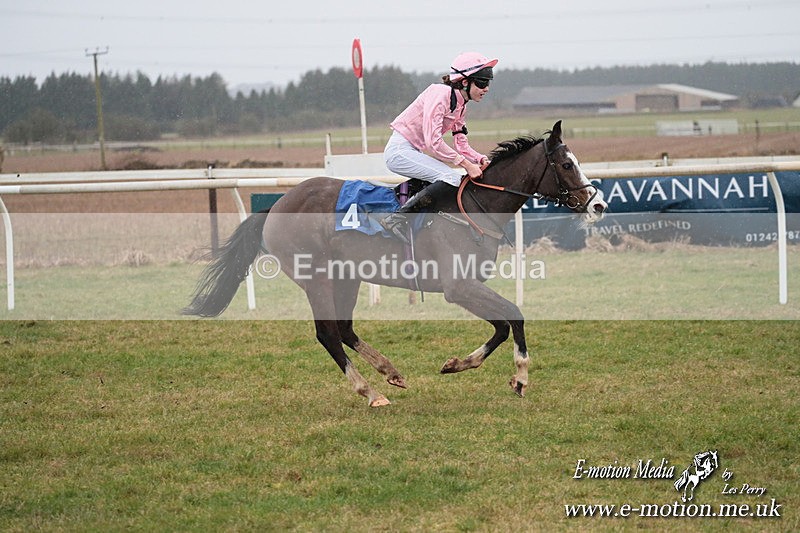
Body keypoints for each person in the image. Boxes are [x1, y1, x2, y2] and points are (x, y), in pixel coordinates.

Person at [381, 52, 498, 243]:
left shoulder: (461, 104)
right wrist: (467, 165)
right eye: (482, 82)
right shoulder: (440, 94)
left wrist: (479, 159)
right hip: (400, 152)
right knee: (451, 178)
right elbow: (433, 142)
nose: (486, 89)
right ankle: (396, 219)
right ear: (465, 82)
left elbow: (461, 144)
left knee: (452, 178)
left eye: (488, 83)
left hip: (412, 151)